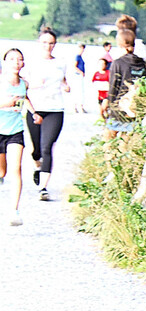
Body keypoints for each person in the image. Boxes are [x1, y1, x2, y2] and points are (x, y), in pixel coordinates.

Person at [20, 27, 70, 202]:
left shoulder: (60, 63)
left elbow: (63, 79)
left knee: (47, 147)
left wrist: (66, 86)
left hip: (55, 109)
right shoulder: (31, 63)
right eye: (44, 43)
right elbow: (22, 85)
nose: (48, 46)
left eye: (51, 43)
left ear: (55, 44)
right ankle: (37, 165)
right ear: (39, 43)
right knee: (36, 150)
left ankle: (43, 188)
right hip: (35, 108)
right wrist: (34, 84)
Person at [0, 48, 40, 226]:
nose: (16, 62)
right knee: (2, 172)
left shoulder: (24, 83)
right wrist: (5, 103)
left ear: (23, 63)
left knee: (16, 168)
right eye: (12, 59)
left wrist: (34, 113)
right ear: (5, 62)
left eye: (19, 59)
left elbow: (25, 98)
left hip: (15, 131)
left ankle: (14, 211)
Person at [102, 29, 146, 138]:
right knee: (127, 139)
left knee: (108, 138)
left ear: (119, 44)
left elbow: (113, 86)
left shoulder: (118, 63)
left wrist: (109, 104)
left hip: (119, 108)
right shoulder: (142, 64)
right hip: (135, 108)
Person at [72, 43, 86, 113]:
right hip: (78, 75)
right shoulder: (77, 56)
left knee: (80, 91)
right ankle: (77, 107)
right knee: (79, 91)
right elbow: (75, 66)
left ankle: (80, 106)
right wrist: (81, 72)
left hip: (80, 75)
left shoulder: (80, 57)